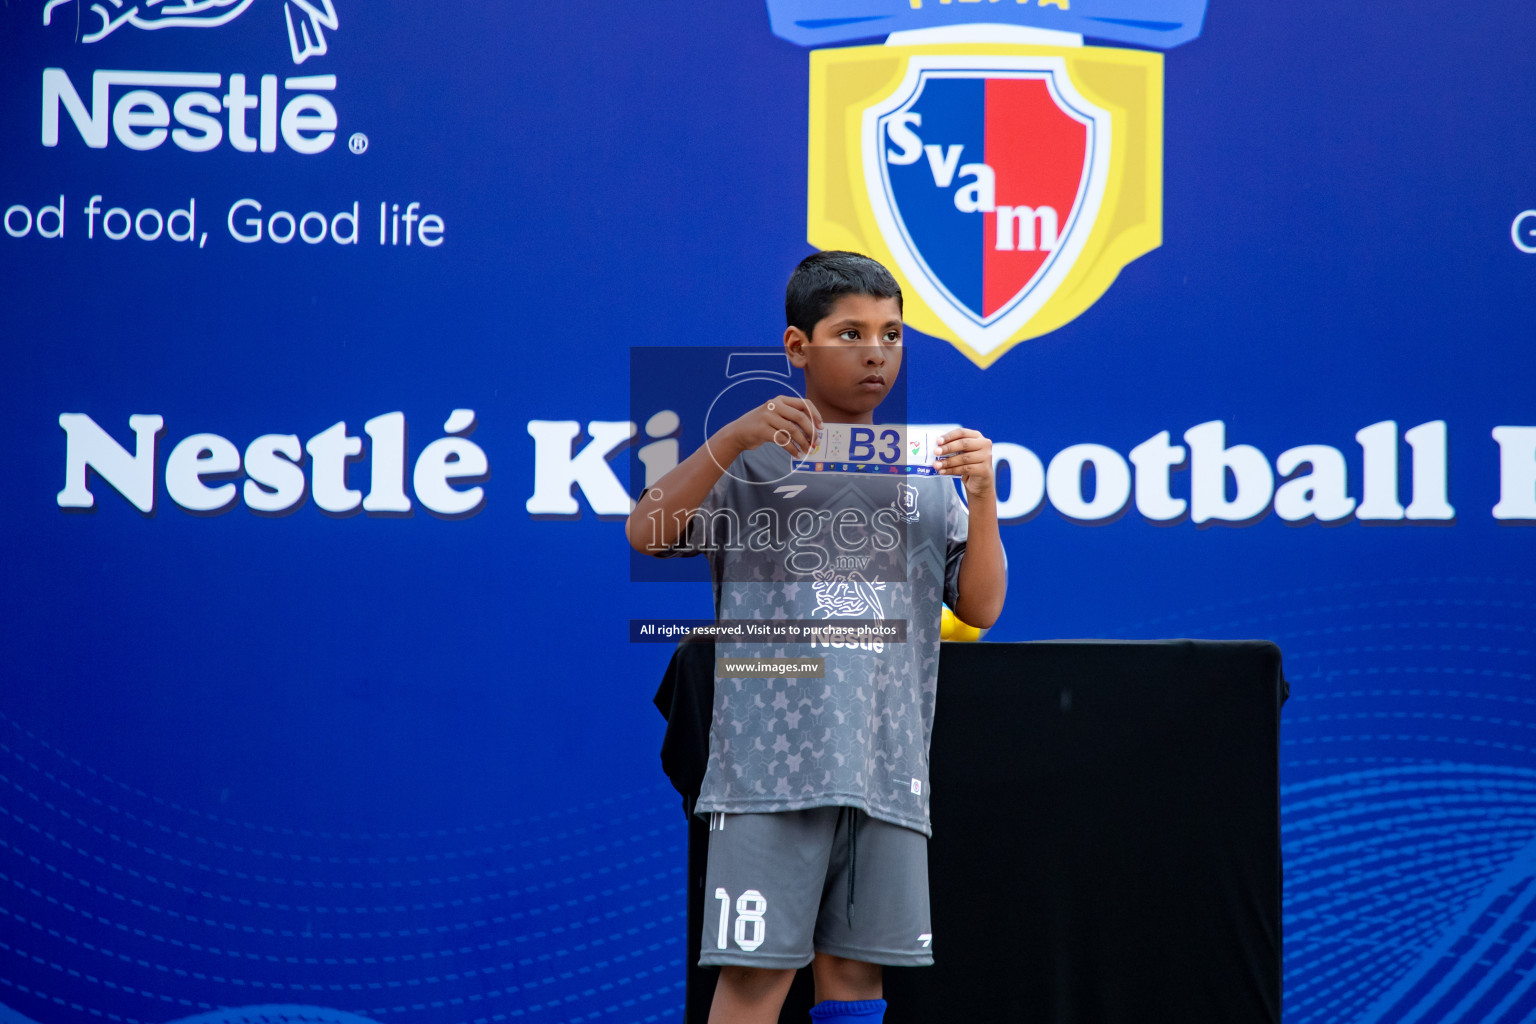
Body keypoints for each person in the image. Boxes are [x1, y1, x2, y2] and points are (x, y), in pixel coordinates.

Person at [627, 251, 1007, 1024]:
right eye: (851, 333)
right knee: (756, 982)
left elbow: (980, 606)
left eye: (893, 334)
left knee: (857, 981)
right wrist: (730, 439)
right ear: (798, 346)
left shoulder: (925, 469)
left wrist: (984, 494)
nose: (876, 351)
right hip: (769, 772)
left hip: (887, 769)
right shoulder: (749, 460)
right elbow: (646, 531)